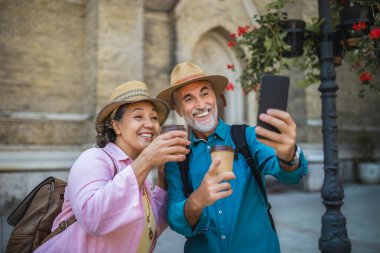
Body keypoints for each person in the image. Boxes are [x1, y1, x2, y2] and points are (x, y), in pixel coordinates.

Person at [156, 62, 308, 253]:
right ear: (178, 110)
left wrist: (288, 155)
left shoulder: (248, 137)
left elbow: (290, 175)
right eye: (189, 99)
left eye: (205, 93)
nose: (201, 104)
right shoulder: (177, 158)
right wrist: (197, 200)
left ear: (215, 97)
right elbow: (177, 222)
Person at [35, 81, 190, 253]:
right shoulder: (94, 159)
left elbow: (148, 228)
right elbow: (92, 220)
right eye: (138, 117)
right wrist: (146, 160)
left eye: (154, 118)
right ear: (116, 126)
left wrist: (162, 179)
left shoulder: (137, 171)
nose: (150, 124)